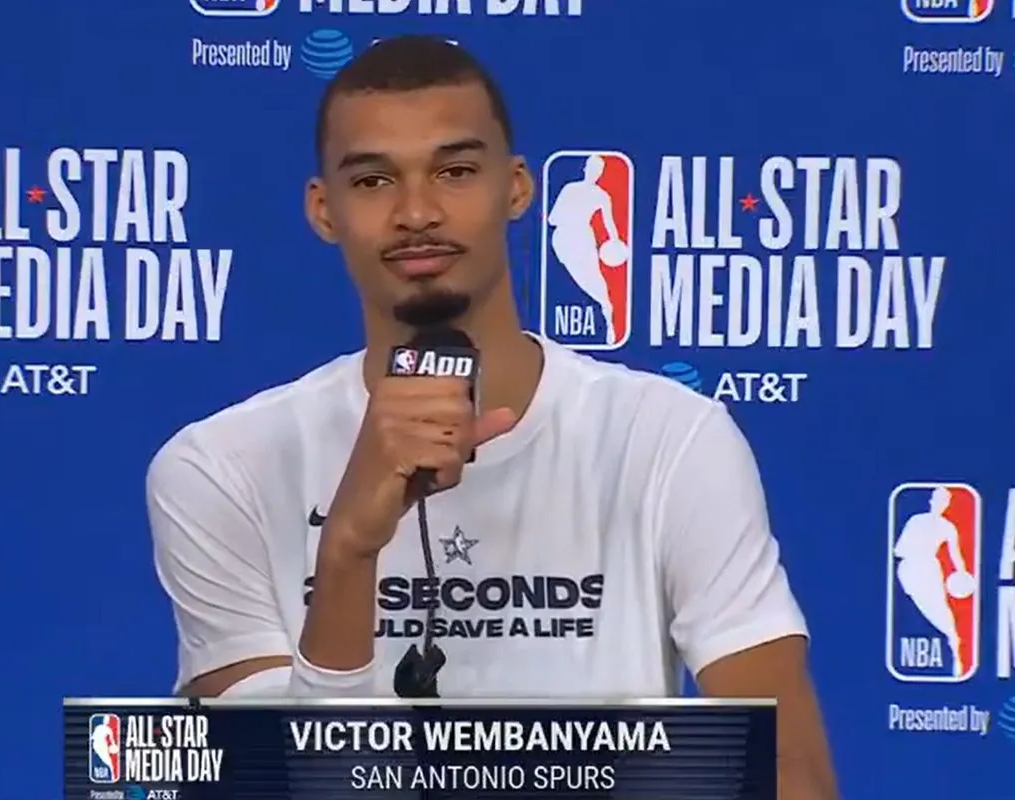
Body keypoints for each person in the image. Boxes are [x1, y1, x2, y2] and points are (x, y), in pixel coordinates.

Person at [147, 35, 836, 798]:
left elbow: (789, 769)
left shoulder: (669, 438)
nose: (417, 212)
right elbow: (270, 787)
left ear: (516, 189)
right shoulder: (220, 467)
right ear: (323, 210)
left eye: (455, 172)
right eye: (373, 180)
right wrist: (345, 551)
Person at [546, 153, 628, 345]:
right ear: (585, 169)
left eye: (598, 170)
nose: (594, 173)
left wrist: (615, 242)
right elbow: (551, 219)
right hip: (564, 239)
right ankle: (604, 307)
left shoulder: (602, 196)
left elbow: (609, 224)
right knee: (579, 278)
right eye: (592, 168)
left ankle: (607, 313)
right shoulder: (570, 189)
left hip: (583, 238)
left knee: (595, 279)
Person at [893, 485, 973, 677]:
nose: (940, 504)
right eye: (938, 499)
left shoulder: (948, 527)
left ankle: (954, 646)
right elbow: (898, 549)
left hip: (930, 568)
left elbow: (956, 555)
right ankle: (951, 639)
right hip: (910, 569)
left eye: (944, 501)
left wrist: (962, 573)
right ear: (931, 501)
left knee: (940, 608)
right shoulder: (916, 520)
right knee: (924, 607)